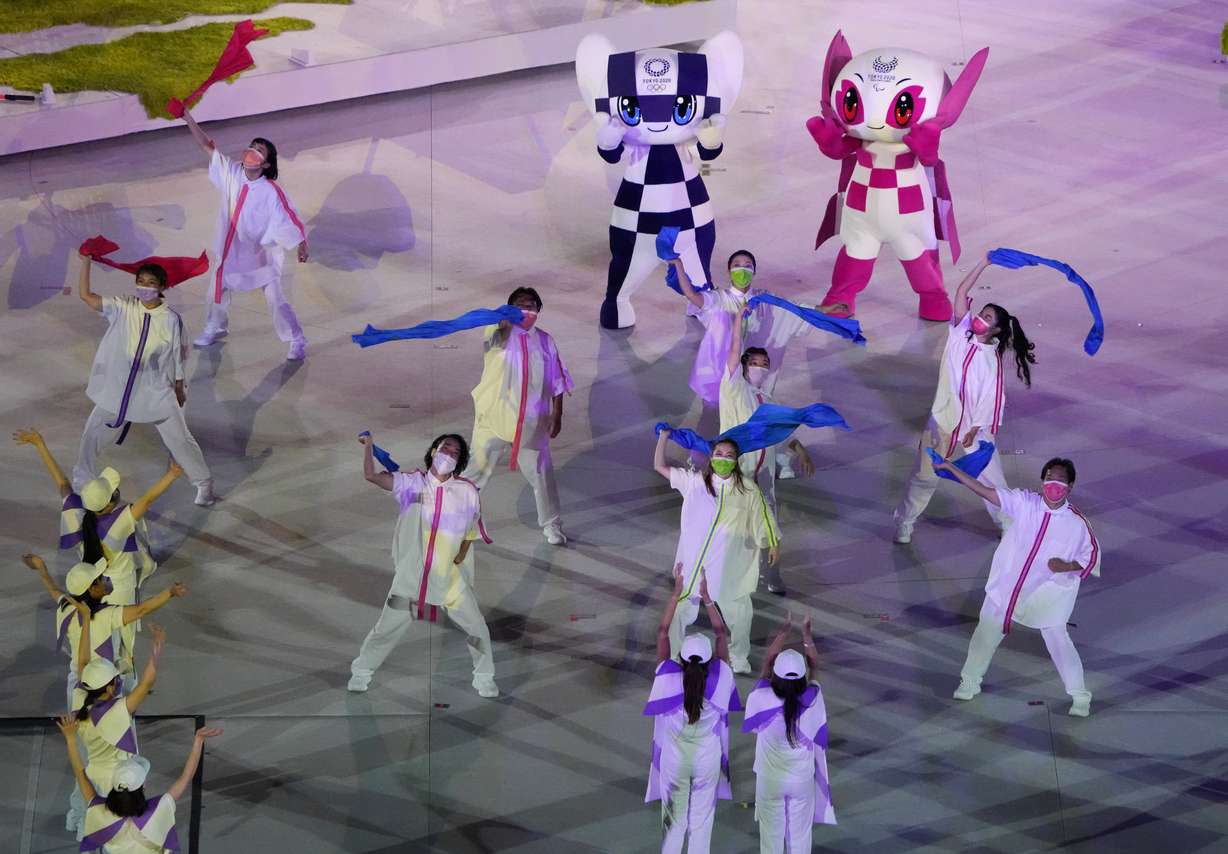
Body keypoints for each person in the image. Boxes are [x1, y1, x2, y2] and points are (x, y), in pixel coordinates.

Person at [934, 455, 1100, 716]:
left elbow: (1090, 558)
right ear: (1042, 480)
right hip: (1007, 588)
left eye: (1060, 480)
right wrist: (951, 468)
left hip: (1047, 596)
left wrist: (1066, 566)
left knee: (1059, 642)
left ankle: (1080, 695)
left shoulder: (1077, 524)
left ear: (1070, 486)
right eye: (1049, 478)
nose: (1054, 484)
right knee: (984, 635)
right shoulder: (1024, 502)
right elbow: (986, 491)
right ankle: (970, 681)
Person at [893, 253, 1037, 544]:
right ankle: (905, 523)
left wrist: (976, 429)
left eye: (987, 318)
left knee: (991, 478)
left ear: (996, 330)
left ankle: (1006, 522)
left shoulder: (991, 362)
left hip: (975, 427)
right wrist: (984, 262)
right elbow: (961, 291)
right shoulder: (960, 334)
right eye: (981, 313)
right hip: (942, 420)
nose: (979, 319)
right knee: (924, 476)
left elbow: (993, 398)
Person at [348, 432, 499, 698]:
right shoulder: (411, 484)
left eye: (455, 453)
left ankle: (484, 677)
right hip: (410, 579)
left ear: (460, 462)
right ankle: (362, 671)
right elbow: (371, 476)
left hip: (449, 580)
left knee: (477, 629)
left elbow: (471, 532)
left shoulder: (467, 492)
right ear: (433, 451)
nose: (449, 454)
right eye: (445, 448)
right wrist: (369, 447)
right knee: (385, 631)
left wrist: (458, 560)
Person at [68, 256, 214, 506]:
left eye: (151, 283)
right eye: (141, 281)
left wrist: (179, 387)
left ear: (162, 286)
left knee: (180, 440)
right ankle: (82, 477)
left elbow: (178, 357)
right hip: (118, 390)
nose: (144, 287)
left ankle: (204, 483)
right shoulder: (123, 306)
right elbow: (87, 296)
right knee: (92, 433)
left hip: (156, 392)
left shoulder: (171, 320)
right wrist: (86, 263)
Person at [180, 107, 310, 360]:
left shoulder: (271, 191)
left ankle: (296, 339)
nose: (252, 151)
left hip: (261, 255)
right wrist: (187, 117)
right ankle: (215, 327)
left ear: (266, 163)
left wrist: (302, 243)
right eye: (252, 146)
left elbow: (290, 217)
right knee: (216, 293)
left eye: (259, 150)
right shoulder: (231, 172)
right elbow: (206, 145)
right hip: (230, 251)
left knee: (276, 300)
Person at [654, 430, 780, 674]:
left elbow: (763, 516)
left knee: (740, 613)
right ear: (711, 457)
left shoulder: (747, 490)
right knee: (680, 612)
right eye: (719, 453)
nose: (723, 458)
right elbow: (659, 466)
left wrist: (773, 543)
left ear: (736, 460)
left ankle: (739, 657)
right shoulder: (694, 483)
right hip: (693, 566)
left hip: (728, 567)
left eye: (729, 455)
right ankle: (673, 655)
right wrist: (663, 437)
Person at [644, 565, 741, 854]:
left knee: (673, 824)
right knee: (701, 824)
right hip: (707, 760)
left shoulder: (668, 676)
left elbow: (663, 632)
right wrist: (706, 597)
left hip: (675, 761)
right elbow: (721, 634)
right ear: (710, 658)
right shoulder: (721, 676)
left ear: (682, 659)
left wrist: (676, 593)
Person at [719, 307, 814, 596]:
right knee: (733, 527)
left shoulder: (767, 399)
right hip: (739, 472)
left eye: (764, 364)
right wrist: (738, 320)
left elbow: (781, 432)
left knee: (769, 523)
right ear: (744, 366)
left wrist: (799, 449)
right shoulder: (733, 389)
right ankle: (719, 574)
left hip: (763, 476)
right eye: (754, 363)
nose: (760, 367)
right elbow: (734, 349)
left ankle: (771, 575)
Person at [469, 287, 574, 545]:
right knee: (474, 473)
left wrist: (557, 414)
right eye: (519, 305)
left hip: (530, 424)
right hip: (494, 419)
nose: (526, 310)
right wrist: (506, 319)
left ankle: (552, 526)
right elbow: (498, 336)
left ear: (539, 310)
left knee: (542, 476)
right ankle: (454, 518)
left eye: (531, 305)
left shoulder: (546, 341)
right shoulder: (497, 333)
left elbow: (557, 379)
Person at [22, 552, 187, 702]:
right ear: (92, 588)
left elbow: (53, 590)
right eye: (100, 578)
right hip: (105, 685)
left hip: (78, 685)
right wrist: (170, 592)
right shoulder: (107, 615)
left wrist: (41, 568)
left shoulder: (67, 606)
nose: (105, 578)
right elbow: (141, 610)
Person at [57, 713, 222, 853]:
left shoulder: (99, 811)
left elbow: (80, 774)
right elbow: (186, 776)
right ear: (143, 786)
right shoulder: (159, 809)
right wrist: (198, 740)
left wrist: (71, 739)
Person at [742, 614, 836, 852]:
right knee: (800, 840)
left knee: (770, 842)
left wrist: (782, 634)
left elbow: (766, 664)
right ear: (802, 678)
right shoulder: (812, 699)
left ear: (775, 674)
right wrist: (807, 636)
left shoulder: (762, 696)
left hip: (769, 781)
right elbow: (815, 667)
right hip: (800, 781)